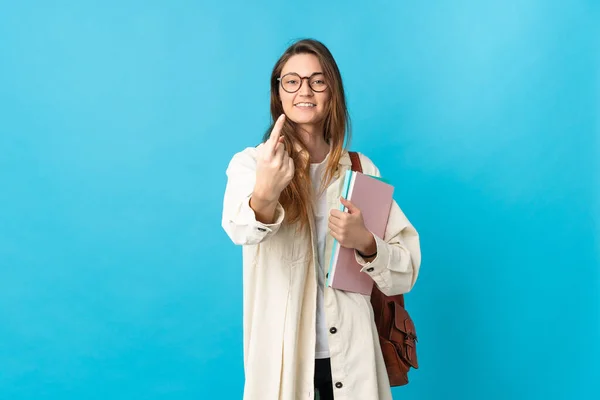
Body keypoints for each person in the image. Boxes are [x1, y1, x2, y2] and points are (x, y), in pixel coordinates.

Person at [221, 38, 421, 400]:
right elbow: (241, 230)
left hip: (354, 357)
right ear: (278, 93)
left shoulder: (361, 169)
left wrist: (365, 242)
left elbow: (404, 271)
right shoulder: (253, 164)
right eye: (291, 81)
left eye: (317, 80)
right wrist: (265, 192)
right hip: (282, 363)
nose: (304, 90)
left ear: (332, 91)